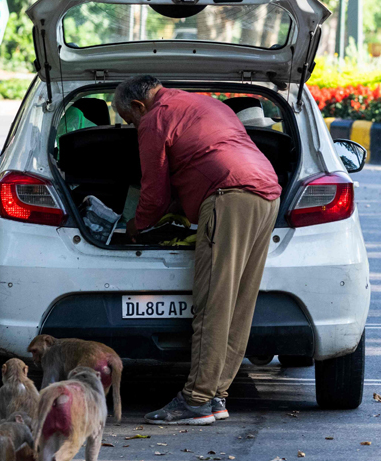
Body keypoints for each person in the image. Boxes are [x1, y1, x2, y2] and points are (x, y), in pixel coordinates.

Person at [114, 75, 281, 425]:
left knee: (213, 302)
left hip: (228, 196)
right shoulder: (205, 103)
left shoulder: (155, 118)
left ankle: (195, 399)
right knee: (238, 303)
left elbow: (154, 193)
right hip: (266, 193)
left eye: (130, 120)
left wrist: (135, 226)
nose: (133, 127)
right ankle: (216, 395)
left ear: (138, 106)